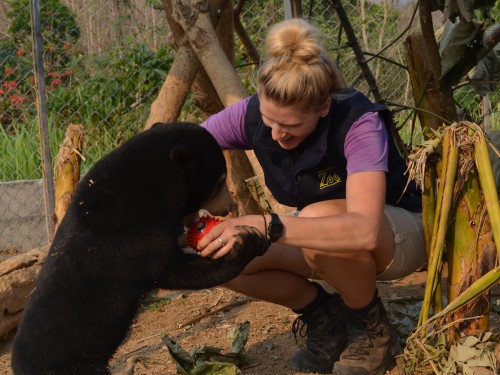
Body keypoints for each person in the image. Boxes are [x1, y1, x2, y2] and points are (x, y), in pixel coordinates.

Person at [196, 18, 425, 375]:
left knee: (319, 219)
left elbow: (364, 230)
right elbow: (187, 146)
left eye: (291, 126)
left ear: (322, 107)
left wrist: (266, 225)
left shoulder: (358, 121)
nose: (276, 134)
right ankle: (326, 317)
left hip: (399, 231)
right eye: (271, 120)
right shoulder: (253, 114)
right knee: (217, 256)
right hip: (321, 234)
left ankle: (373, 330)